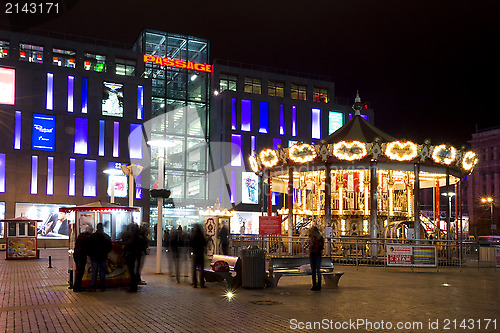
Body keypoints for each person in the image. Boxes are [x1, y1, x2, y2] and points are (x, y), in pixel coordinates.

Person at [123, 223, 147, 292]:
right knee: (135, 270)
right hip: (137, 255)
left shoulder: (133, 238)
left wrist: (126, 252)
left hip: (132, 255)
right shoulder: (139, 237)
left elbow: (129, 246)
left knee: (132, 271)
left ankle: (133, 286)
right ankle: (134, 284)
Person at [88, 223, 112, 291]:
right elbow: (109, 246)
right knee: (102, 271)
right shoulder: (106, 236)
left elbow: (89, 246)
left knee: (94, 271)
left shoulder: (93, 236)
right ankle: (102, 286)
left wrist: (90, 254)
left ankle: (93, 286)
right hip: (103, 256)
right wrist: (106, 252)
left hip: (94, 256)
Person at [72, 225, 92, 292]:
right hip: (81, 256)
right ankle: (77, 287)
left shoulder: (80, 236)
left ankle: (77, 286)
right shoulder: (87, 238)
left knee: (79, 271)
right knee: (80, 272)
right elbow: (88, 248)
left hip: (76, 255)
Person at [308, 226, 324, 291]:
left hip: (312, 254)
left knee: (313, 270)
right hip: (318, 254)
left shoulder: (311, 237)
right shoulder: (320, 237)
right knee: (318, 269)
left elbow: (309, 245)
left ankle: (314, 285)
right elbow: (322, 246)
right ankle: (319, 285)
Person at [190, 224, 207, 288]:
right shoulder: (201, 235)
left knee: (194, 270)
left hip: (195, 254)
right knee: (201, 269)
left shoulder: (193, 235)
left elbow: (191, 243)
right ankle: (202, 283)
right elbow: (205, 243)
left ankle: (195, 283)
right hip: (201, 254)